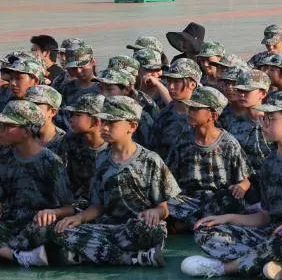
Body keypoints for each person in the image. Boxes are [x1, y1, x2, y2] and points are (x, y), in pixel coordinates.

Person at [182, 92, 282, 280]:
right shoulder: (270, 162)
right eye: (264, 118)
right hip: (269, 234)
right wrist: (227, 218)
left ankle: (225, 268)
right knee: (205, 232)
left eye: (271, 119)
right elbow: (264, 217)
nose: (264, 124)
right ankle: (274, 263)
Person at [51, 96, 180, 267]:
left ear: (132, 126)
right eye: (104, 122)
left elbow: (164, 208)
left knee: (152, 230)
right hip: (109, 228)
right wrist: (79, 218)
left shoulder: (150, 160)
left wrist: (155, 213)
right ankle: (132, 258)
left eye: (112, 123)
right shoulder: (101, 159)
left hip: (138, 227)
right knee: (62, 232)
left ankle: (95, 254)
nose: (104, 127)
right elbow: (98, 206)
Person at [166, 86, 252, 233]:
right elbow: (168, 177)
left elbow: (245, 180)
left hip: (216, 200)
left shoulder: (229, 143)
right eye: (189, 108)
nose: (190, 112)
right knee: (164, 202)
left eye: (195, 109)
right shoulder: (183, 140)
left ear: (213, 115)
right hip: (189, 201)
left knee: (231, 200)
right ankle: (200, 223)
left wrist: (241, 187)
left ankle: (188, 224)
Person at [0, 100, 73, 268]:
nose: (1, 131)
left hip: (37, 224)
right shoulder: (5, 157)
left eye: (8, 126)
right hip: (11, 222)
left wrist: (52, 212)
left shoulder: (50, 162)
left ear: (26, 131)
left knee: (45, 230)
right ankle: (15, 255)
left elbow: (69, 208)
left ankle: (13, 253)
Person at [58, 93, 107, 209]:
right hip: (74, 202)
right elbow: (62, 177)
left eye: (78, 115)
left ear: (97, 121)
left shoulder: (112, 145)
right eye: (72, 115)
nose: (71, 119)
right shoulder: (70, 139)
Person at [222, 69, 272, 177]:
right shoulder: (233, 123)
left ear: (262, 93)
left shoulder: (272, 125)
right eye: (239, 90)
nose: (241, 94)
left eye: (247, 91)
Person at [150, 59, 202, 159]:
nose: (171, 87)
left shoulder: (204, 115)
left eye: (176, 82)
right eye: (169, 81)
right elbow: (154, 151)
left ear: (192, 84)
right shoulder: (164, 115)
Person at [57, 43, 100, 129]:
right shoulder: (65, 88)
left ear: (93, 62)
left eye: (82, 66)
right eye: (74, 68)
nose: (79, 71)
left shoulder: (103, 88)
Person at [24, 85, 65, 153]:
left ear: (52, 112)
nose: (28, 110)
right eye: (27, 104)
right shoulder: (22, 136)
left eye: (36, 105)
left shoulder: (64, 142)